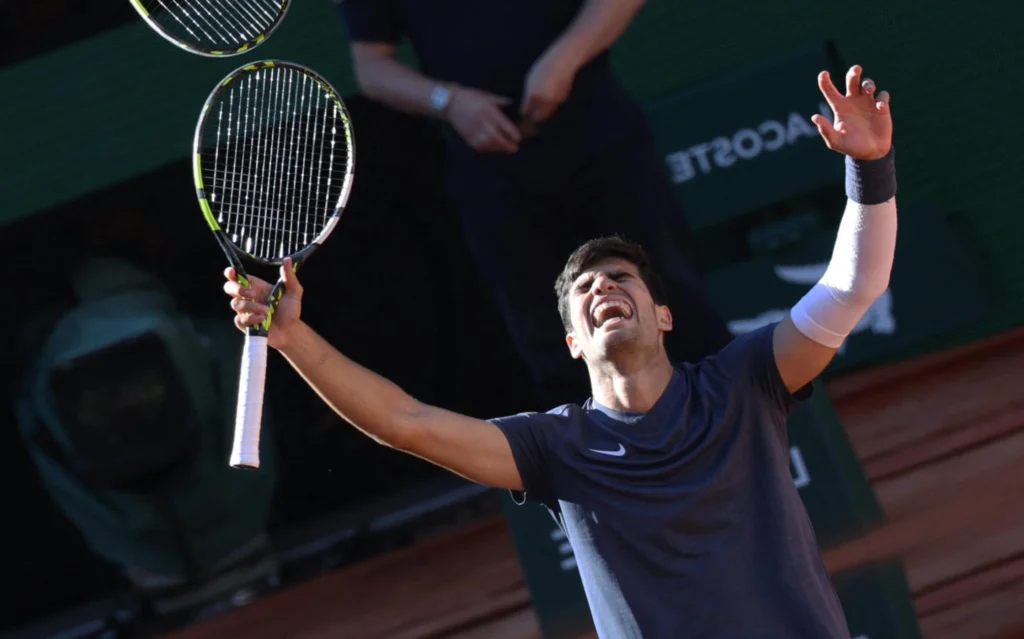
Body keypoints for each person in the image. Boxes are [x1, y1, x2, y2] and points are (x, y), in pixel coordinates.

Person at [223, 65, 896, 638]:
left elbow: (852, 285)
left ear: (663, 315)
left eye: (621, 277)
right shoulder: (555, 447)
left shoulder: (744, 381)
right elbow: (407, 422)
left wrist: (869, 165)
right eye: (585, 287)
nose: (603, 284)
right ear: (572, 341)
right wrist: (291, 337)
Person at [334, 0, 734, 405]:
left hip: (602, 141)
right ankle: (610, 461)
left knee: (672, 300)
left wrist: (564, 59)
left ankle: (741, 434)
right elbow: (372, 67)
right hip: (493, 172)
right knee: (550, 343)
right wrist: (450, 103)